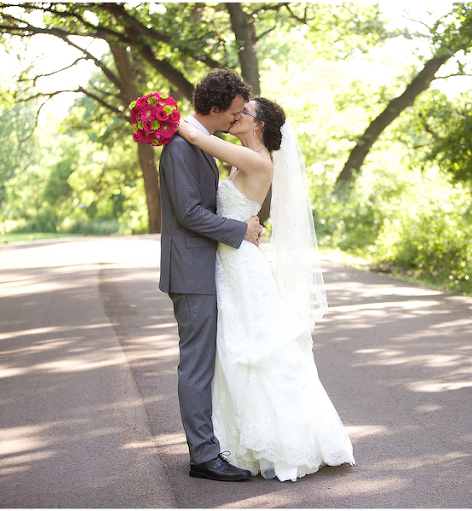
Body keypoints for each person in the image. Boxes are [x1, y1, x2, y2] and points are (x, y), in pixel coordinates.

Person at [176, 97, 355, 482]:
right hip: (229, 262)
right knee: (233, 349)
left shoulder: (255, 160)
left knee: (257, 350)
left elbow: (195, 135)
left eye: (245, 112)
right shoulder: (239, 158)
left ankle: (283, 442)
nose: (237, 114)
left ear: (258, 126)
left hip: (242, 267)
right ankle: (236, 441)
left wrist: (161, 116)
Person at [158, 69, 263, 482]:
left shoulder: (198, 142)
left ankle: (211, 445)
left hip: (206, 267)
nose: (237, 118)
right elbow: (189, 213)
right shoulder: (181, 147)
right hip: (190, 271)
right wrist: (240, 230)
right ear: (215, 109)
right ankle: (203, 457)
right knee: (197, 365)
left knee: (206, 362)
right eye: (234, 112)